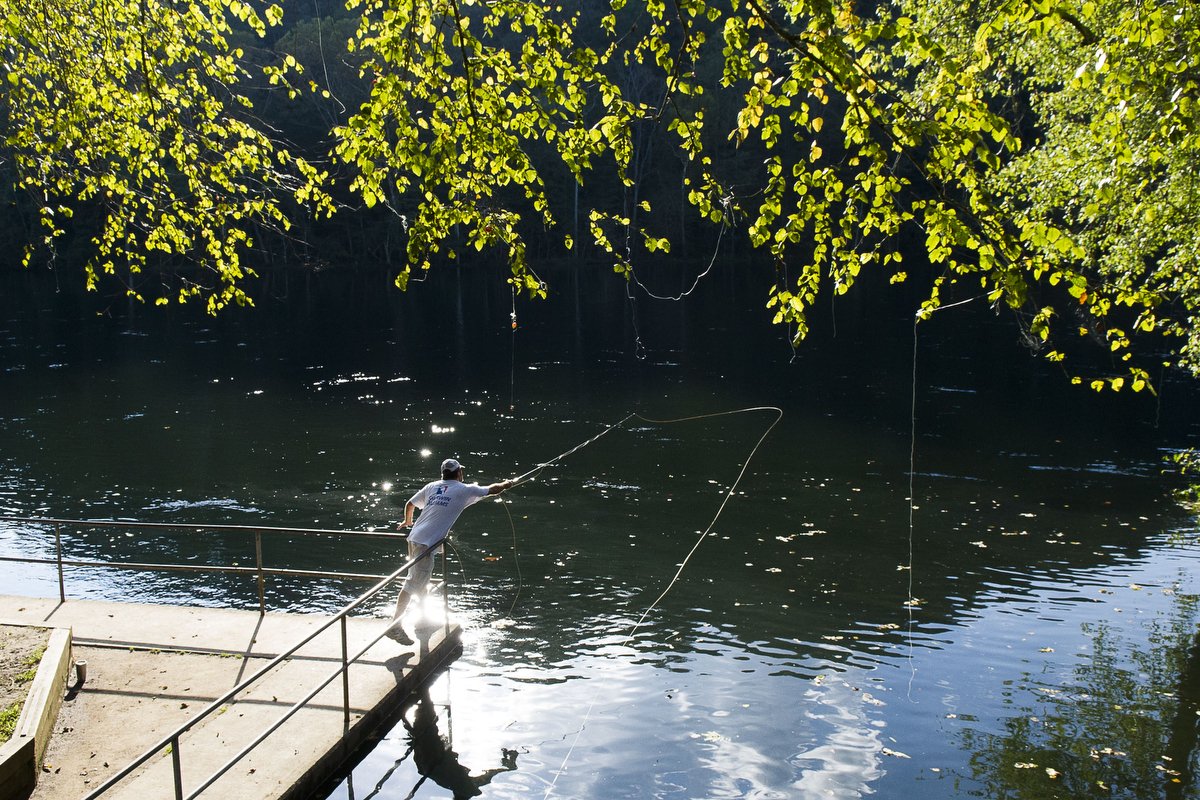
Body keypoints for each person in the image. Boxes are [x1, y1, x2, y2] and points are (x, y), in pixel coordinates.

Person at [385, 458, 513, 645]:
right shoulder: (463, 489)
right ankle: (394, 626)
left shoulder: (432, 486)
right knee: (412, 583)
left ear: (443, 473)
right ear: (459, 473)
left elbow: (410, 504)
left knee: (421, 581)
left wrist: (407, 521)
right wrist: (508, 483)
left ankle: (423, 620)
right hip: (426, 543)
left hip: (415, 537)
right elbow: (493, 489)